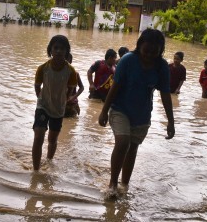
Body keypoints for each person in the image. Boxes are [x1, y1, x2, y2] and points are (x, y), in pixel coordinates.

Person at [98, 29, 175, 197]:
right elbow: (114, 87)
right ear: (139, 45)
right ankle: (112, 184)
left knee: (132, 149)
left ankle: (124, 185)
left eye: (154, 52)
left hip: (142, 114)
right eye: (146, 50)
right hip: (120, 109)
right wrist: (104, 111)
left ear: (160, 51)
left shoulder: (161, 66)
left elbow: (165, 94)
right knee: (123, 142)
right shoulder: (127, 60)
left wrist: (171, 121)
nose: (149, 55)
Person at [32, 35, 77, 171]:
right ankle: (36, 170)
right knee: (38, 137)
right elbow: (37, 86)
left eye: (62, 49)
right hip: (43, 106)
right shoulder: (42, 68)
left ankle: (49, 162)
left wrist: (65, 99)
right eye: (55, 48)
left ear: (66, 51)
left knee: (52, 139)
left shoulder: (71, 71)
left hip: (59, 108)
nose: (58, 51)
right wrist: (40, 98)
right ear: (50, 50)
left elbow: (70, 89)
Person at [64, 53, 84, 117]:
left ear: (71, 61)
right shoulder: (56, 74)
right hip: (60, 104)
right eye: (64, 59)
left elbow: (82, 87)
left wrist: (74, 97)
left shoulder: (75, 74)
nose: (66, 62)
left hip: (72, 104)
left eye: (68, 60)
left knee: (72, 122)